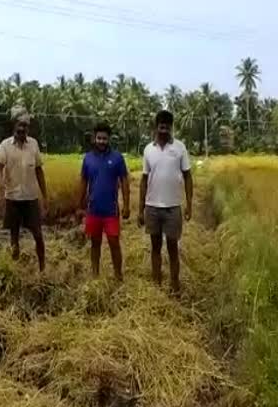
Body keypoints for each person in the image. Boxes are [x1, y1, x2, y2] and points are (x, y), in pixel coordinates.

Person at [138, 109, 193, 292]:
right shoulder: (148, 149)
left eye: (167, 127)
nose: (164, 130)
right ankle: (156, 284)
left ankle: (175, 286)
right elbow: (144, 180)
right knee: (155, 247)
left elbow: (188, 177)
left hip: (173, 208)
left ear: (171, 128)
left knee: (172, 247)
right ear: (156, 127)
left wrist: (189, 205)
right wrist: (140, 210)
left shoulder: (180, 148)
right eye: (161, 126)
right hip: (152, 207)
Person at [0, 106, 48, 272]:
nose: (22, 128)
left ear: (28, 128)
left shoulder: (33, 145)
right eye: (19, 125)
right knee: (14, 238)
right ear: (14, 125)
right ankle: (15, 269)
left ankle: (42, 269)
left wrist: (45, 196)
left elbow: (39, 170)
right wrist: (1, 182)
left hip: (31, 199)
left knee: (38, 236)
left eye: (25, 125)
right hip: (13, 199)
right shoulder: (5, 145)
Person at [78, 122, 130, 281]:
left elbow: (125, 181)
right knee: (95, 244)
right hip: (93, 210)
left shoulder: (117, 158)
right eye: (99, 138)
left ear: (109, 139)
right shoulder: (88, 158)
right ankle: (95, 275)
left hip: (111, 211)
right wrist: (80, 204)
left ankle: (118, 276)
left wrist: (127, 205)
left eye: (104, 138)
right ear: (94, 138)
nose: (101, 141)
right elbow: (83, 182)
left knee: (114, 244)